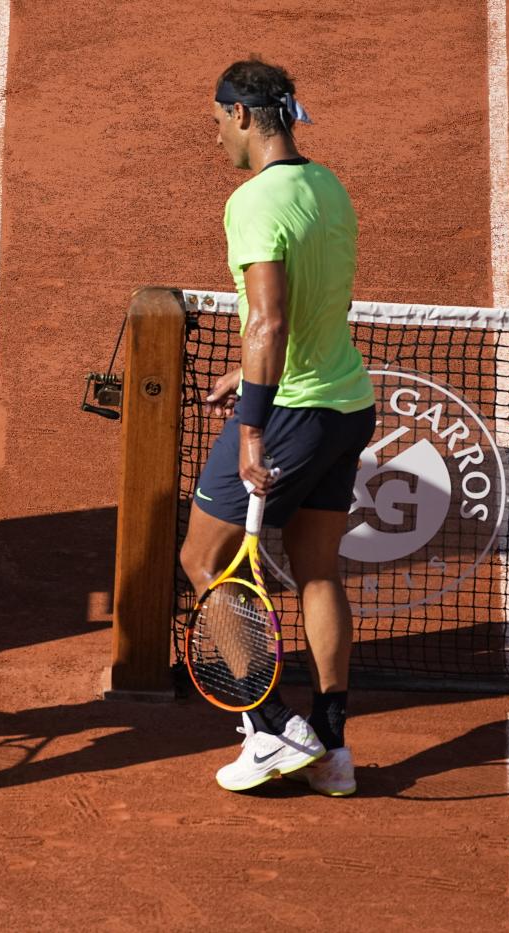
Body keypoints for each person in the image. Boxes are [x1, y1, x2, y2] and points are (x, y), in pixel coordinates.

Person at [178, 59, 375, 797]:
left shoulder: (254, 202)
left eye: (217, 121)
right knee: (319, 570)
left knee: (202, 560)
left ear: (241, 116)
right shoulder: (328, 186)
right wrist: (248, 372)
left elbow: (268, 316)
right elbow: (319, 308)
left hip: (289, 411)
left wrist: (252, 425)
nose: (217, 137)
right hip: (347, 404)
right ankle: (332, 747)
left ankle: (268, 727)